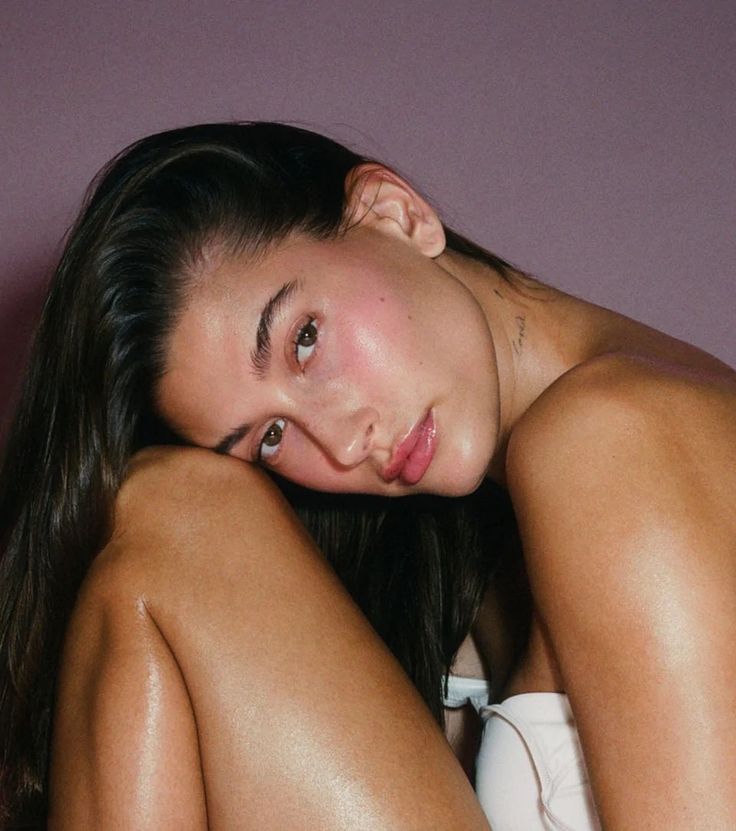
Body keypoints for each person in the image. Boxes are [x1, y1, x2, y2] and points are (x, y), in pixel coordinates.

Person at [0, 121, 734, 831]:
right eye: (271, 437)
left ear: (397, 213)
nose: (343, 443)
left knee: (171, 505)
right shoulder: (486, 543)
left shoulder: (611, 434)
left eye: (304, 340)